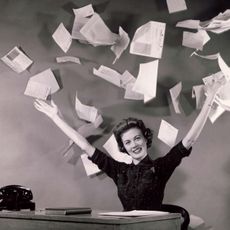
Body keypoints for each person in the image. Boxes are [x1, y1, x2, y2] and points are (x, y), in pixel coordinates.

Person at [33, 77, 225, 221]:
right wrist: (55, 117)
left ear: (145, 139)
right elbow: (83, 144)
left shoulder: (161, 167)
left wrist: (212, 96)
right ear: (123, 147)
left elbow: (190, 138)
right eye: (128, 142)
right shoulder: (118, 170)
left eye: (137, 138)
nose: (134, 145)